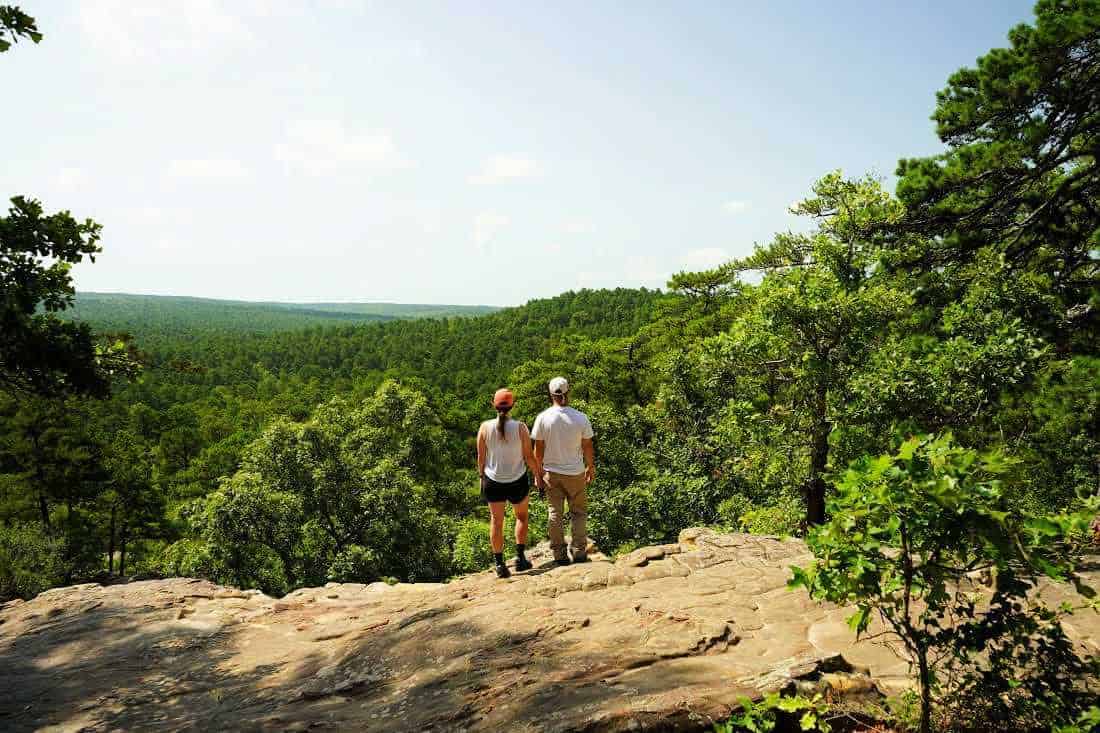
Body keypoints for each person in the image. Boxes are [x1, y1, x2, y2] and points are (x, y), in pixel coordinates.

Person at [477, 387, 543, 578]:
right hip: (517, 481)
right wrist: (538, 475)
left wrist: (482, 477)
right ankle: (520, 558)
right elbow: (529, 457)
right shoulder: (521, 427)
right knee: (521, 517)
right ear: (513, 405)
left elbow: (481, 458)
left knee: (496, 522)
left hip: (493, 481)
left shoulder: (484, 427)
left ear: (493, 405)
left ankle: (499, 564)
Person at [531, 377, 595, 565]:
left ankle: (559, 555)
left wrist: (538, 474)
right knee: (579, 513)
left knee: (555, 513)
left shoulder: (543, 418)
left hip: (551, 473)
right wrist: (590, 467)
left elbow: (538, 449)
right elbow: (587, 446)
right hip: (575, 472)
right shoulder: (580, 417)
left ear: (551, 394)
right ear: (568, 392)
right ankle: (579, 552)